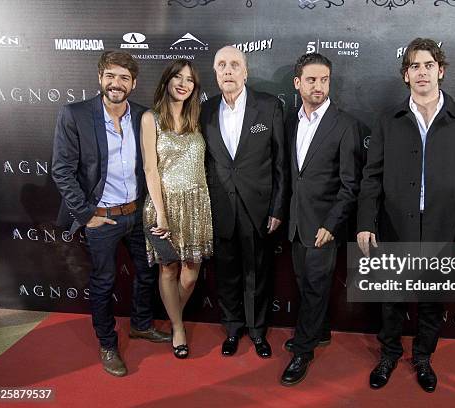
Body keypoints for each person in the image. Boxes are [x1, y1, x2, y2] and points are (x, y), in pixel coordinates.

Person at [356, 38, 455, 392]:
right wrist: (365, 224)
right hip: (394, 228)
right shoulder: (388, 120)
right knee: (390, 302)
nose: (422, 72)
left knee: (432, 303)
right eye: (414, 66)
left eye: (428, 65)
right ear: (405, 75)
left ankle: (422, 358)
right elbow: (371, 177)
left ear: (440, 71)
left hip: (445, 231)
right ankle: (388, 354)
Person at [52, 51, 171, 377]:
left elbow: (151, 167)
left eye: (123, 78)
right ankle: (107, 343)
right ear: (100, 78)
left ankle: (141, 326)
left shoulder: (144, 116)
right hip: (101, 218)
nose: (115, 83)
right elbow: (62, 170)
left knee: (147, 274)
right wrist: (87, 214)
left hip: (137, 214)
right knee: (104, 282)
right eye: (110, 76)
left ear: (133, 83)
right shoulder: (75, 114)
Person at [280, 53, 362, 386]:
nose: (319, 86)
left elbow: (350, 183)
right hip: (297, 223)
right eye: (312, 80)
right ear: (297, 83)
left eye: (324, 79)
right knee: (305, 283)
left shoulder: (345, 125)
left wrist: (332, 224)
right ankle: (320, 332)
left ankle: (303, 350)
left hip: (324, 227)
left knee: (314, 287)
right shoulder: (291, 121)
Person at [200, 46, 285, 358]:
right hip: (220, 207)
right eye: (221, 65)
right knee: (227, 273)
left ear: (245, 72)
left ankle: (258, 331)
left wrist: (277, 207)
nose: (228, 71)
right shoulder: (206, 110)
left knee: (258, 273)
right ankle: (233, 328)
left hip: (258, 208)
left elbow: (280, 163)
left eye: (235, 65)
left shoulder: (269, 106)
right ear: (215, 73)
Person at [141, 59, 213, 359]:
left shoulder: (199, 120)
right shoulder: (151, 118)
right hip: (165, 204)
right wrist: (161, 212)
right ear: (166, 80)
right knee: (168, 268)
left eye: (190, 80)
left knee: (191, 274)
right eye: (177, 77)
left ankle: (174, 318)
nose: (183, 83)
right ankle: (179, 330)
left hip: (197, 204)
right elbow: (150, 169)